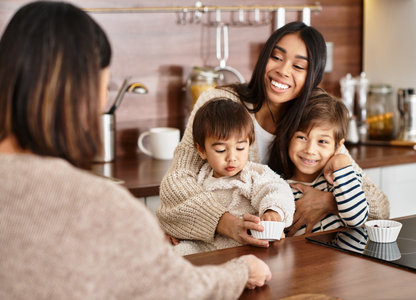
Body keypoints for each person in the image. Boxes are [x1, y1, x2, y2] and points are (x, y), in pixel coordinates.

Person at [0, 2, 272, 298]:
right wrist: (241, 271)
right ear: (84, 94)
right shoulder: (103, 207)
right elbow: (179, 290)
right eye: (105, 87)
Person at [157, 21, 389, 246]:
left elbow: (379, 207)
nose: (282, 71)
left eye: (298, 66)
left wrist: (330, 201)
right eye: (276, 57)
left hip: (289, 258)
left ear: (313, 77)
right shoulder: (220, 103)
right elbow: (176, 184)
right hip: (222, 246)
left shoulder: (313, 119)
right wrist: (223, 224)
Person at [173, 98, 295, 255]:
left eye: (240, 148)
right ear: (201, 150)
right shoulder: (199, 178)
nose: (232, 157)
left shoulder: (253, 174)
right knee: (174, 254)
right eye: (221, 150)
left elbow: (276, 189)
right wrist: (175, 228)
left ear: (249, 145)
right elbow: (185, 209)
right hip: (206, 248)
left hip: (247, 246)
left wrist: (273, 210)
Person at [270, 93, 368, 236]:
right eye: (302, 137)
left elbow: (356, 219)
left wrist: (341, 161)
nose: (310, 150)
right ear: (289, 137)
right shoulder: (277, 187)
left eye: (322, 141)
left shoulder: (343, 177)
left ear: (337, 146)